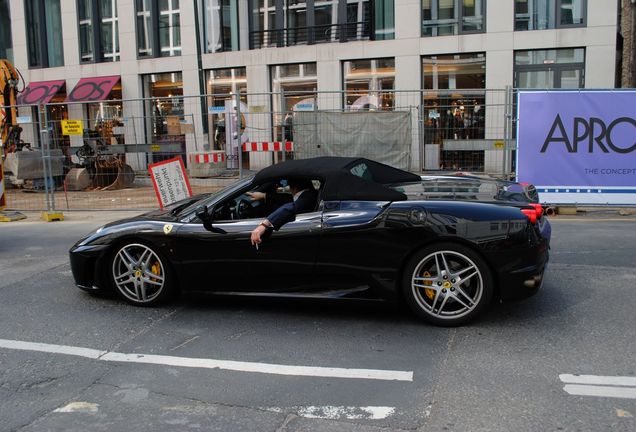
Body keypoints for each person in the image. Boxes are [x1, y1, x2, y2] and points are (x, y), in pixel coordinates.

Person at [250, 178, 318, 246]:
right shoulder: (309, 194)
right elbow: (286, 198)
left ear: (294, 188)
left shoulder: (307, 198)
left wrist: (263, 225)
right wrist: (264, 195)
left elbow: (290, 207)